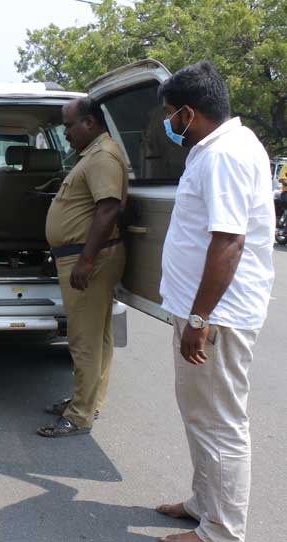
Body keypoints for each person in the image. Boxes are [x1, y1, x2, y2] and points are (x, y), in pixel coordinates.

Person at [154, 61, 274, 542]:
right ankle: (205, 504)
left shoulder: (225, 155)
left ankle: (221, 532)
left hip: (216, 316)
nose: (168, 125)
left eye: (170, 115)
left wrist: (201, 316)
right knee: (200, 415)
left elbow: (229, 242)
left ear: (188, 113)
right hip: (203, 311)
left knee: (221, 422)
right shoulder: (213, 149)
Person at [39, 97, 128, 438]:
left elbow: (107, 210)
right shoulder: (93, 154)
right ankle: (88, 402)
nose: (66, 132)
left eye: (69, 125)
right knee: (98, 337)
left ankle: (78, 415)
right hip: (82, 254)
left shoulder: (102, 156)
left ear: (89, 123)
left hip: (89, 257)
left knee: (83, 339)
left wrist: (87, 260)